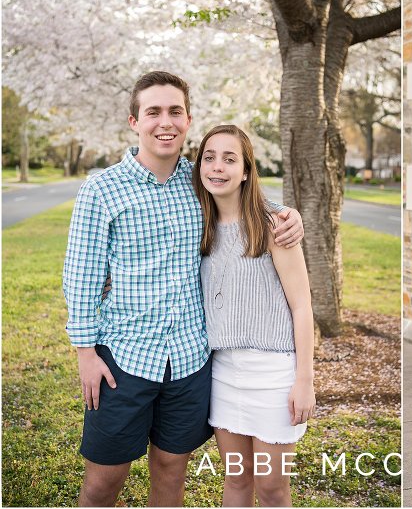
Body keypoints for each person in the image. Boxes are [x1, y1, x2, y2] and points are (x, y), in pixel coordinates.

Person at [62, 71, 304, 506]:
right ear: (134, 121)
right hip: (124, 360)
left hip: (191, 362)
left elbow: (244, 197)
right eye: (153, 111)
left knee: (172, 473)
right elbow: (81, 276)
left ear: (188, 120)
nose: (165, 121)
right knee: (104, 481)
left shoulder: (199, 182)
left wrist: (289, 214)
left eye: (175, 111)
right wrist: (85, 353)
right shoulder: (102, 189)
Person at [192, 124, 315, 507]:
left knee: (273, 489)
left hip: (274, 376)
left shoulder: (274, 226)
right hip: (223, 374)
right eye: (209, 158)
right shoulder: (199, 224)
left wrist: (305, 380)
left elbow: (302, 306)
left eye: (230, 159)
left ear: (246, 170)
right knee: (236, 482)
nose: (217, 167)